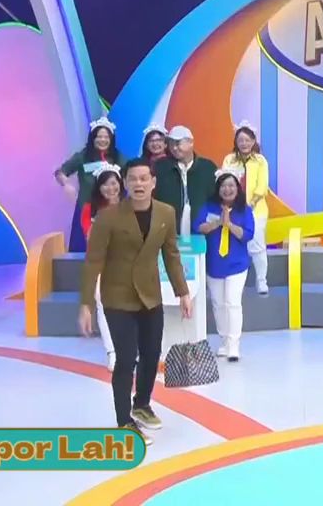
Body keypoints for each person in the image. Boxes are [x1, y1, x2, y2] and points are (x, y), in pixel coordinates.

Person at [78, 159, 192, 445]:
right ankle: (124, 422)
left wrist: (182, 292)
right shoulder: (108, 218)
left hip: (150, 295)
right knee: (126, 358)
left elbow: (171, 255)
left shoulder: (166, 213)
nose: (138, 184)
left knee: (152, 355)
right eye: (133, 179)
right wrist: (86, 304)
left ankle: (142, 403)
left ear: (153, 182)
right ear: (126, 183)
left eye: (144, 178)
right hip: (118, 296)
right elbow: (93, 262)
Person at [195, 168, 255, 362]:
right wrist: (218, 222)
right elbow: (199, 228)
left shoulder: (244, 210)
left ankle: (234, 344)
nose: (227, 189)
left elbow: (247, 235)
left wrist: (229, 224)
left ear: (237, 188)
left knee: (232, 302)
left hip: (237, 265)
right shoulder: (209, 207)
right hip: (214, 264)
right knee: (218, 304)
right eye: (223, 185)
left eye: (231, 185)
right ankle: (224, 340)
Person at [55, 117, 126, 252]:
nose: (102, 140)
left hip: (111, 211)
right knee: (82, 250)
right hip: (85, 210)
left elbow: (131, 172)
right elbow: (60, 172)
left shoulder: (118, 157)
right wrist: (66, 184)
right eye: (99, 137)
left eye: (106, 137)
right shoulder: (83, 156)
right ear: (93, 138)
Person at [80, 163, 124, 372]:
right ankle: (112, 352)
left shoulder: (130, 205)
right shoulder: (90, 209)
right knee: (103, 305)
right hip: (101, 263)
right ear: (99, 187)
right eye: (105, 185)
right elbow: (90, 238)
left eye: (114, 183)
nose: (110, 188)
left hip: (126, 263)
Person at [222, 123, 271, 294]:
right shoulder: (229, 160)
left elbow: (262, 186)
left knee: (257, 245)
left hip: (256, 210)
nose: (244, 143)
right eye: (240, 140)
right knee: (234, 244)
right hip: (233, 209)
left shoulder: (260, 161)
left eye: (247, 140)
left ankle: (261, 281)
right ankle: (234, 282)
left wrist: (250, 204)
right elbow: (224, 181)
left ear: (253, 141)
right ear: (236, 141)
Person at [153, 126, 217, 238]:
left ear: (191, 143)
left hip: (201, 232)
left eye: (178, 143)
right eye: (171, 143)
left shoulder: (207, 167)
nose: (174, 148)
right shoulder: (161, 167)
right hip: (169, 232)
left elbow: (215, 199)